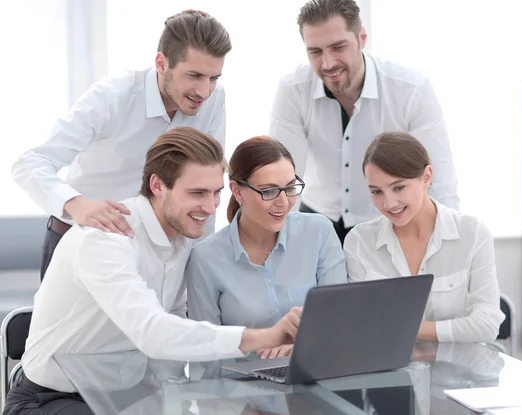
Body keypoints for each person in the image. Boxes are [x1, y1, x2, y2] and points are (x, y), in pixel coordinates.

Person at [3, 128, 301, 415]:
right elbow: (152, 332)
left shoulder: (182, 238)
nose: (211, 208)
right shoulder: (106, 238)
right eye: (197, 193)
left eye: (216, 193)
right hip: (49, 399)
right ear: (158, 186)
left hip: (130, 397)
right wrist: (265, 337)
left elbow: (172, 324)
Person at [12, 9, 231, 280]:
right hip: (81, 243)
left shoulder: (214, 99)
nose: (204, 91)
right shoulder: (111, 98)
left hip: (157, 252)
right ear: (162, 63)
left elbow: (208, 184)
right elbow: (29, 163)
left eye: (214, 78)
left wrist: (200, 261)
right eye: (194, 75)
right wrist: (77, 204)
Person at [269, 0, 459, 244]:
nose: (327, 64)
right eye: (315, 52)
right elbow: (281, 176)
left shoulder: (411, 89)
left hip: (388, 218)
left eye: (338, 47)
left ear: (362, 38)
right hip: (318, 219)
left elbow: (439, 181)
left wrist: (449, 246)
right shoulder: (292, 90)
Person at [186, 136, 347, 359]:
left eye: (290, 188)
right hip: (240, 388)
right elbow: (203, 350)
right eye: (268, 191)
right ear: (237, 191)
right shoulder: (206, 258)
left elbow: (341, 319)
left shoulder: (319, 232)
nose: (283, 202)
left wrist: (304, 348)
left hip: (312, 375)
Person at [344, 131, 504, 343]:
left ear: (426, 177)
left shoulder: (473, 234)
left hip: (459, 371)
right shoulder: (359, 242)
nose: (389, 203)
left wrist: (403, 329)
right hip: (387, 371)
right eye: (376, 192)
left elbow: (486, 324)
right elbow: (357, 323)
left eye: (399, 187)